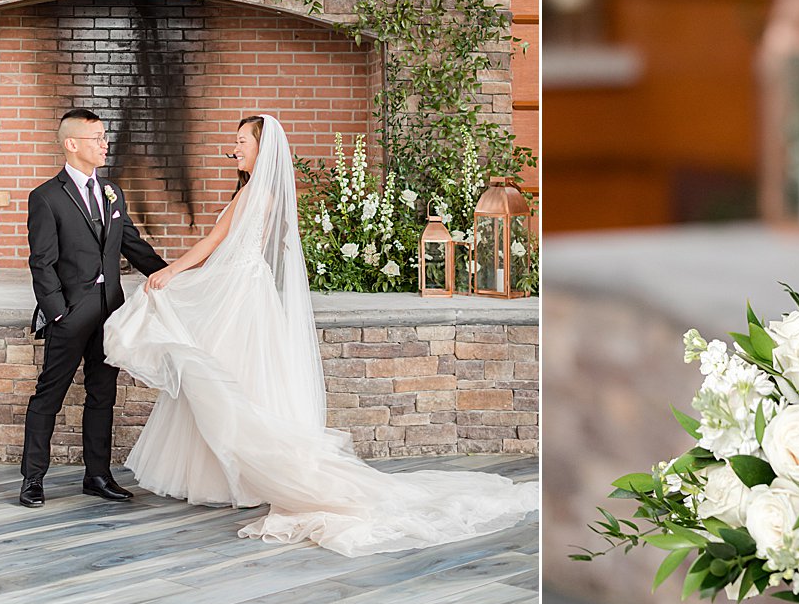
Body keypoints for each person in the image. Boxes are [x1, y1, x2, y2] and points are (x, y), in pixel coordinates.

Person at [103, 113, 538, 555]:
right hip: (245, 292)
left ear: (263, 149)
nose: (234, 149)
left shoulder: (256, 193)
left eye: (241, 142)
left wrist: (169, 273)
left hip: (240, 295)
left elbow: (213, 243)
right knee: (233, 382)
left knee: (227, 382)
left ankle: (248, 476)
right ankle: (233, 478)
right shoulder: (260, 192)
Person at [21, 108, 168, 508]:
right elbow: (42, 262)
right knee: (49, 395)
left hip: (111, 312)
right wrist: (58, 313)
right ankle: (33, 479)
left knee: (102, 394)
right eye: (98, 138)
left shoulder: (113, 192)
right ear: (72, 144)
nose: (105, 144)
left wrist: (174, 276)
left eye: (105, 137)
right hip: (70, 314)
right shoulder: (46, 197)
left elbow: (132, 244)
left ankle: (97, 476)